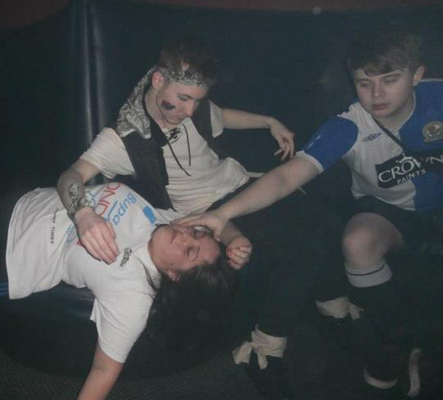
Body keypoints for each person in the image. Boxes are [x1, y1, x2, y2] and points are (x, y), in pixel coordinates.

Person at [57, 37, 348, 399]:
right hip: (209, 211)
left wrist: (268, 121)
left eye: (196, 100)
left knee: (327, 223)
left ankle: (333, 308)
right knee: (304, 252)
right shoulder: (124, 138)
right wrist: (83, 214)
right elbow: (70, 177)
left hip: (245, 183)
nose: (190, 110)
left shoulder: (193, 107)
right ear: (158, 80)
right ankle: (264, 350)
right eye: (183, 99)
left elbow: (220, 115)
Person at [179, 28, 443, 398]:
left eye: (390, 80)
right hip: (388, 213)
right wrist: (223, 214)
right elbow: (285, 177)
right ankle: (395, 342)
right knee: (356, 241)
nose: (377, 93)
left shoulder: (437, 96)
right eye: (364, 83)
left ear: (416, 76)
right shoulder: (349, 126)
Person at [0, 171, 248, 400]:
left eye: (190, 251)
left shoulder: (132, 296)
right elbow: (217, 219)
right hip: (3, 200)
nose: (185, 236)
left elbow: (104, 373)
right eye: (196, 234)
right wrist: (234, 238)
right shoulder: (163, 219)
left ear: (175, 277)